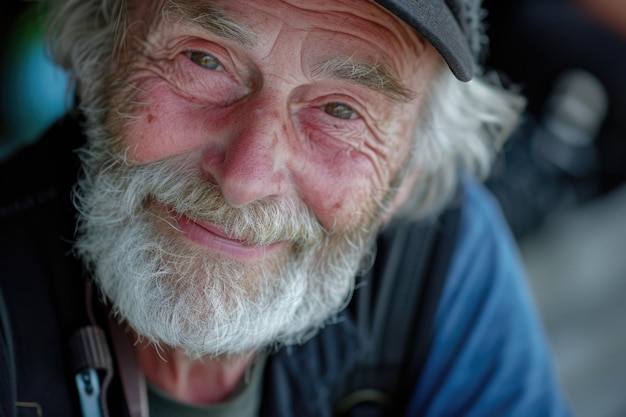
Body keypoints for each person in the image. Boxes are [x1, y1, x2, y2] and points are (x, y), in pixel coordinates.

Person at [0, 0, 572, 416]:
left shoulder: (442, 258)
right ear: (97, 65)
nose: (245, 179)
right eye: (204, 60)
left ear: (409, 172)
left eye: (341, 111)